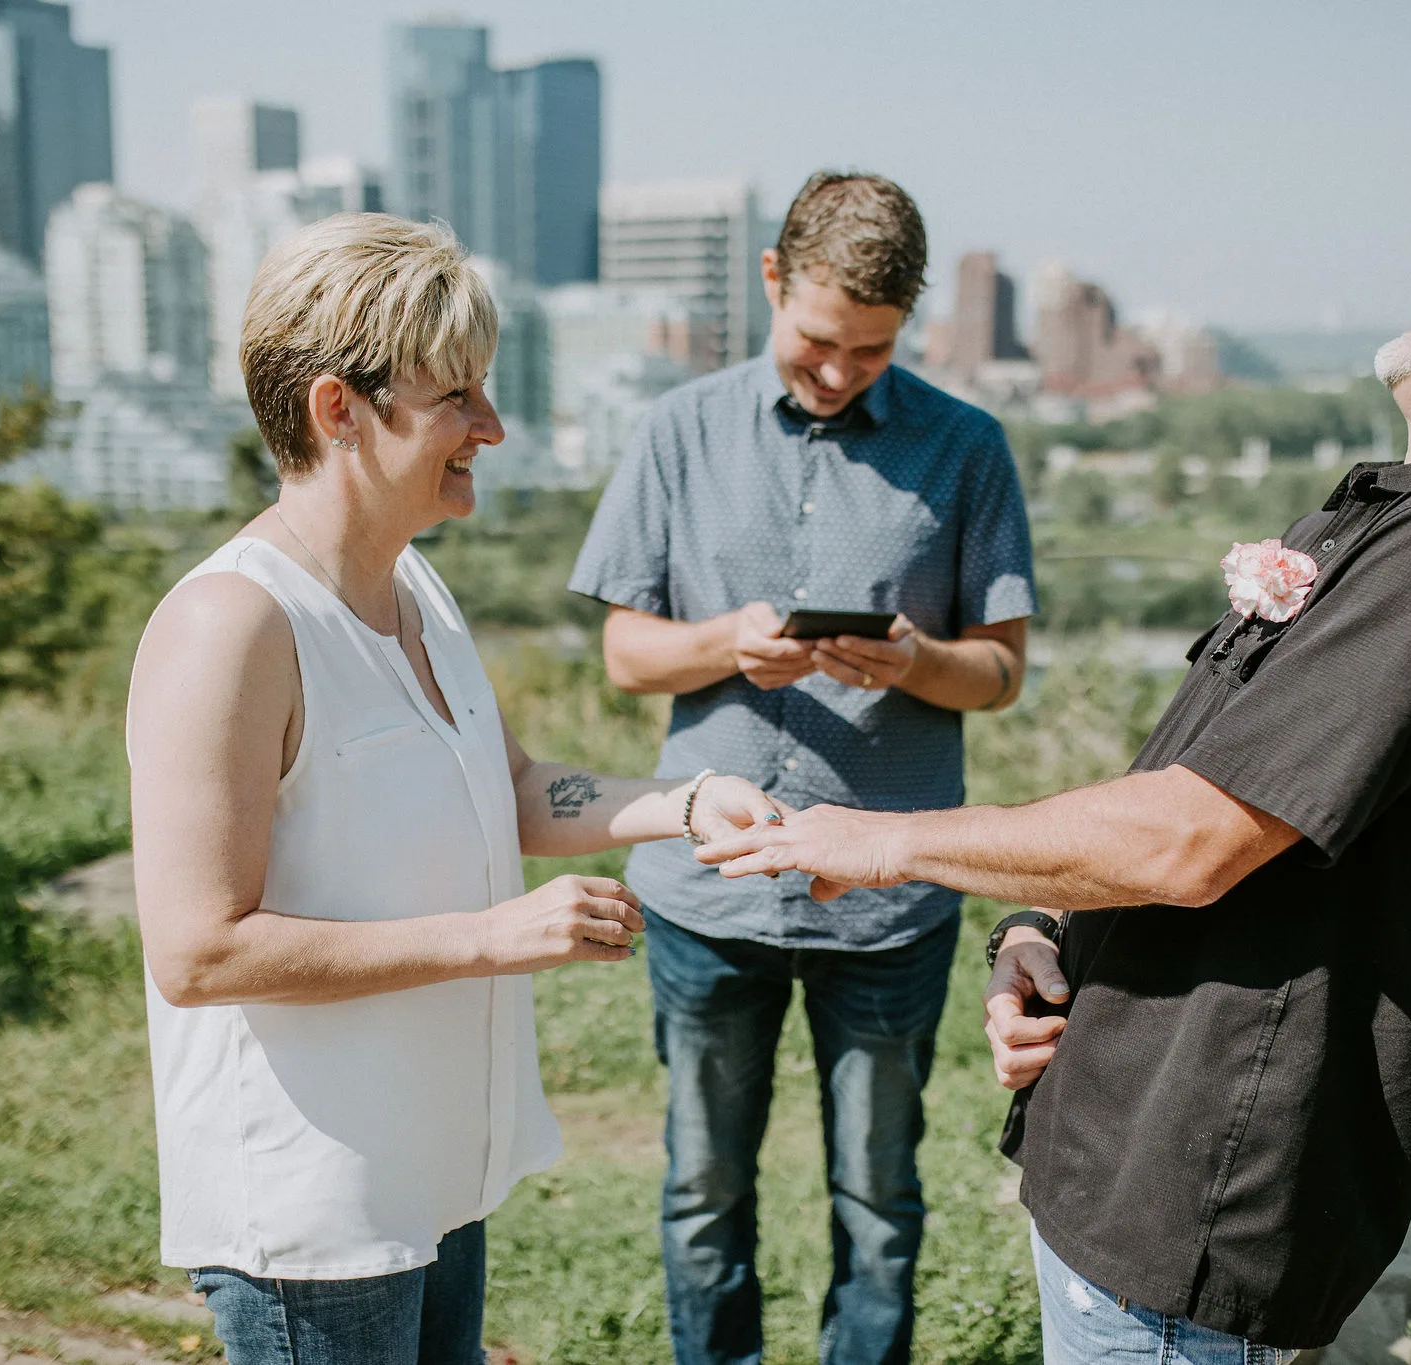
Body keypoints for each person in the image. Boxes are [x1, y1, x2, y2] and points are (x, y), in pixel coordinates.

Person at [697, 213, 1411, 1364]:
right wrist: (1041, 928)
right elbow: (1191, 784)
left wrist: (881, 841)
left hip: (1197, 1188)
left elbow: (1190, 840)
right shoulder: (1393, 524)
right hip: (1124, 1149)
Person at [125, 213, 787, 1365]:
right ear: (339, 409)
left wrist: (686, 802)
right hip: (312, 1211)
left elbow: (518, 788)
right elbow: (198, 951)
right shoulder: (228, 626)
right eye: (456, 398)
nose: (492, 425)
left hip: (436, 1173)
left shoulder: (415, 586)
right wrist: (492, 937)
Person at [568, 171, 1037, 1365]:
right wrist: (728, 640)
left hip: (886, 901)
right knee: (700, 1192)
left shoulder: (968, 446)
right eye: (820, 342)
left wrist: (915, 660)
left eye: (871, 353)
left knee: (878, 1204)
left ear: (909, 322)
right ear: (771, 282)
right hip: (706, 890)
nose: (838, 373)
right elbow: (626, 653)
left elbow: (997, 673)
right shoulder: (676, 430)